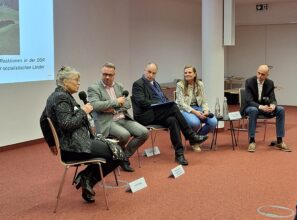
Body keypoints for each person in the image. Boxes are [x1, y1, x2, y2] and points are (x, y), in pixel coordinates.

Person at [40, 66, 124, 203]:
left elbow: (43, 120)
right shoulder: (61, 98)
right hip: (73, 148)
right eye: (76, 80)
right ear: (65, 81)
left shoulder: (55, 96)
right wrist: (83, 111)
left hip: (76, 142)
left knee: (115, 148)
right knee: (118, 154)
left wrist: (51, 143)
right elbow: (67, 124)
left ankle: (86, 179)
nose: (79, 83)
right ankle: (87, 179)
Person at [131, 62, 208, 166]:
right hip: (146, 116)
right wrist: (161, 105)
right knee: (173, 107)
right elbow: (141, 102)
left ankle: (179, 154)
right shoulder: (138, 84)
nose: (151, 75)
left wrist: (166, 103)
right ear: (144, 70)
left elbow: (164, 98)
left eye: (153, 73)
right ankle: (190, 135)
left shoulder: (155, 83)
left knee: (173, 120)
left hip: (158, 114)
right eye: (149, 72)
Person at [87, 62, 149, 172]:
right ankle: (121, 159)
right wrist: (116, 102)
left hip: (123, 117)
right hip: (107, 121)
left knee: (144, 132)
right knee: (124, 135)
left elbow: (128, 104)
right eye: (104, 74)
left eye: (110, 75)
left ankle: (122, 156)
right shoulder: (94, 88)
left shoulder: (119, 86)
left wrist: (111, 107)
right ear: (101, 74)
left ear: (114, 75)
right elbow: (95, 105)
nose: (107, 77)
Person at [240, 64, 291, 153]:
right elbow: (249, 100)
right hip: (250, 107)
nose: (260, 76)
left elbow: (273, 99)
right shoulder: (249, 81)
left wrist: (273, 105)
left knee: (280, 109)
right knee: (253, 110)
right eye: (258, 73)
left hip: (265, 108)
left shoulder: (270, 83)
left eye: (263, 74)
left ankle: (279, 140)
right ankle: (252, 141)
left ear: (267, 75)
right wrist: (261, 107)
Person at [176, 66, 217, 152]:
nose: (187, 74)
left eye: (189, 72)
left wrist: (205, 111)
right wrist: (196, 113)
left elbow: (204, 100)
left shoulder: (200, 84)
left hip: (199, 107)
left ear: (195, 74)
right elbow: (181, 103)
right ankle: (194, 140)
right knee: (195, 123)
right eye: (185, 73)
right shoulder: (180, 85)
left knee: (213, 122)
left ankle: (194, 140)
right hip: (185, 109)